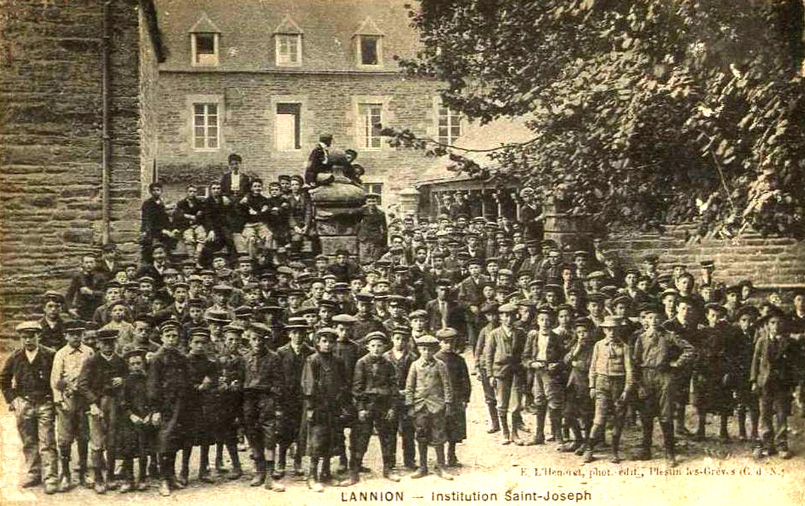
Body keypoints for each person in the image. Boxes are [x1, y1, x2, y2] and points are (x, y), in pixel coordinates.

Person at [632, 305, 695, 467]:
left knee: (666, 414)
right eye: (650, 317)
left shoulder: (668, 336)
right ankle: (646, 450)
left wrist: (676, 364)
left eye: (657, 318)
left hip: (664, 377)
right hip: (646, 377)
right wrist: (638, 383)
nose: (654, 321)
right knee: (646, 413)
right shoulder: (641, 338)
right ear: (645, 320)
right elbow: (635, 362)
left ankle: (670, 453)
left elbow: (689, 349)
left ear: (661, 320)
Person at [0, 321, 59, 494]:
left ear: (38, 336)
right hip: (24, 404)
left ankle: (50, 477)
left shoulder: (49, 355)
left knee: (47, 441)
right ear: (21, 338)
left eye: (31, 336)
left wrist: (54, 399)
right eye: (24, 337)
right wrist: (13, 399)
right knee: (29, 441)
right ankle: (34, 473)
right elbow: (3, 379)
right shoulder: (15, 356)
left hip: (45, 403)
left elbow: (56, 379)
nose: (28, 340)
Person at [342, 331, 400, 486]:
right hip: (366, 406)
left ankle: (388, 469)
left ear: (384, 347)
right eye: (373, 345)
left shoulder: (388, 364)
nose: (376, 349)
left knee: (387, 438)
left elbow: (394, 387)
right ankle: (354, 473)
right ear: (367, 346)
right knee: (360, 439)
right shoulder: (361, 363)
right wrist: (360, 408)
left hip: (383, 405)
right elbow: (357, 388)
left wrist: (392, 408)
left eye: (379, 346)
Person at [76, 327, 128, 494]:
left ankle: (111, 476)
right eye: (104, 343)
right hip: (97, 405)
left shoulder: (120, 361)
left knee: (112, 442)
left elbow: (129, 379)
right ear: (98, 344)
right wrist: (92, 403)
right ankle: (98, 477)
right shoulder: (92, 362)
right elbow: (82, 385)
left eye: (111, 343)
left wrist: (123, 380)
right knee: (97, 442)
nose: (108, 347)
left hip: (115, 405)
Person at [301, 328, 350, 493]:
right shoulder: (312, 360)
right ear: (317, 342)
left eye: (331, 341)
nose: (327, 345)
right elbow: (308, 385)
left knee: (332, 439)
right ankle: (312, 476)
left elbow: (343, 382)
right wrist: (310, 407)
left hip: (333, 406)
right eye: (324, 341)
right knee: (317, 441)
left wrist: (341, 401)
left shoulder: (338, 361)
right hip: (318, 406)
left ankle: (326, 473)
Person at [147, 319, 191, 496]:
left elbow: (187, 380)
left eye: (175, 336)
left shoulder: (181, 357)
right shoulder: (158, 358)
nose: (172, 339)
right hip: (165, 406)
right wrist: (155, 409)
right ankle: (163, 480)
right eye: (168, 336)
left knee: (175, 440)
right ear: (162, 337)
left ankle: (171, 476)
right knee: (164, 441)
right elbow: (153, 385)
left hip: (180, 405)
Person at [51, 320, 94, 491]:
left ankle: (83, 471)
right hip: (67, 399)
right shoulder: (61, 354)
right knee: (65, 438)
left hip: (83, 399)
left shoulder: (89, 352)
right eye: (72, 334)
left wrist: (91, 399)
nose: (76, 337)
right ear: (66, 336)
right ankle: (66, 475)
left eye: (79, 333)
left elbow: (93, 375)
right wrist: (60, 400)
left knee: (83, 435)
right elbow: (55, 380)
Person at [584, 316, 634, 464]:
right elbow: (592, 366)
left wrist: (626, 390)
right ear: (604, 330)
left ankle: (614, 451)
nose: (611, 332)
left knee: (618, 419)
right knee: (599, 419)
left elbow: (629, 370)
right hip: (602, 382)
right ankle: (589, 449)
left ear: (619, 330)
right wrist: (592, 385)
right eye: (608, 329)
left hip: (618, 383)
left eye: (615, 329)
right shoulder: (599, 345)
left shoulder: (624, 347)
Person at [750, 309, 800, 460]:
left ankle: (781, 444)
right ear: (767, 325)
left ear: (783, 324)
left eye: (779, 323)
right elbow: (755, 362)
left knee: (781, 414)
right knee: (764, 414)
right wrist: (753, 381)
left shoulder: (788, 343)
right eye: (772, 323)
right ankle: (766, 444)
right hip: (765, 383)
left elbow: (793, 365)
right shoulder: (761, 341)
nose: (776, 326)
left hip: (782, 384)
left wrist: (793, 385)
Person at [405, 334, 453, 480]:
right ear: (419, 349)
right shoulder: (414, 365)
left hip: (436, 406)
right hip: (420, 406)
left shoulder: (440, 365)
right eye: (423, 349)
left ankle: (441, 466)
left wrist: (448, 403)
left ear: (434, 350)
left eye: (430, 350)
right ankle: (423, 467)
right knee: (421, 436)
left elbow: (447, 385)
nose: (426, 352)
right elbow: (409, 386)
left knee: (438, 436)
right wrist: (410, 405)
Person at [522, 307, 566, 446]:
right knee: (539, 400)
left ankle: (557, 434)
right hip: (537, 371)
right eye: (542, 320)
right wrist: (532, 363)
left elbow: (563, 358)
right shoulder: (533, 336)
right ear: (537, 321)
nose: (545, 323)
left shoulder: (556, 337)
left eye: (548, 320)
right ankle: (539, 434)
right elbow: (525, 356)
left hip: (550, 372)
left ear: (552, 322)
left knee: (553, 401)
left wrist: (557, 365)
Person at [484, 303, 527, 445]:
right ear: (501, 317)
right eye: (505, 316)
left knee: (515, 404)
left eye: (511, 316)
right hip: (501, 372)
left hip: (516, 371)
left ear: (515, 317)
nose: (508, 319)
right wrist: (490, 375)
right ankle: (505, 432)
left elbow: (524, 353)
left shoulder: (520, 333)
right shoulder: (494, 334)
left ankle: (515, 433)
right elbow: (488, 356)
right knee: (502, 403)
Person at [276, 320, 314, 477]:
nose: (298, 336)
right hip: (286, 398)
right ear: (289, 334)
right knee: (284, 430)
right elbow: (277, 376)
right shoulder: (281, 352)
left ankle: (298, 462)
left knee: (301, 430)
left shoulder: (310, 352)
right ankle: (281, 462)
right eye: (295, 332)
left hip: (303, 398)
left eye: (301, 333)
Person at [116, 348, 155, 492]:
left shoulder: (149, 381)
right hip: (130, 421)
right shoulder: (126, 383)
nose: (136, 366)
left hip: (145, 420)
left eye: (138, 363)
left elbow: (153, 400)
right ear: (128, 366)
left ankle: (143, 478)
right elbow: (122, 403)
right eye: (132, 364)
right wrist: (131, 415)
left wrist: (149, 415)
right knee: (128, 450)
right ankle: (129, 479)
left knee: (144, 450)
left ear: (143, 363)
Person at [434, 328, 471, 467]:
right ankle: (440, 457)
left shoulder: (459, 360)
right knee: (439, 427)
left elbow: (465, 380)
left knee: (454, 428)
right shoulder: (436, 359)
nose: (448, 345)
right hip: (439, 398)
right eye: (445, 342)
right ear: (439, 343)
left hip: (456, 398)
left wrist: (465, 398)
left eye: (451, 342)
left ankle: (452, 454)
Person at [140, 182, 178, 263]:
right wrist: (145, 230)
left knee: (168, 244)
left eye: (158, 190)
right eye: (154, 190)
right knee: (151, 248)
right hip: (152, 230)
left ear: (161, 191)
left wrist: (171, 229)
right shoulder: (147, 204)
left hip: (162, 230)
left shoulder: (162, 203)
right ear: (150, 192)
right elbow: (146, 219)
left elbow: (165, 219)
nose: (156, 192)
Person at [173, 184, 206, 263]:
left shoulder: (199, 202)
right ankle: (191, 258)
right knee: (189, 238)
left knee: (202, 237)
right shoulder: (181, 203)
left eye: (194, 192)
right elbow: (178, 216)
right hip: (186, 225)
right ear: (187, 192)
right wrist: (189, 217)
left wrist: (194, 217)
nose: (192, 193)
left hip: (197, 224)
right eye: (190, 191)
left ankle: (197, 258)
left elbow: (202, 214)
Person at [356, 193, 388, 262]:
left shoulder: (380, 213)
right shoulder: (361, 211)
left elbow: (384, 228)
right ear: (366, 202)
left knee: (375, 260)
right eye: (369, 201)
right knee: (363, 259)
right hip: (364, 239)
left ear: (376, 202)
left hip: (376, 239)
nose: (372, 203)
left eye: (374, 201)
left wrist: (384, 243)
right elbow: (357, 223)